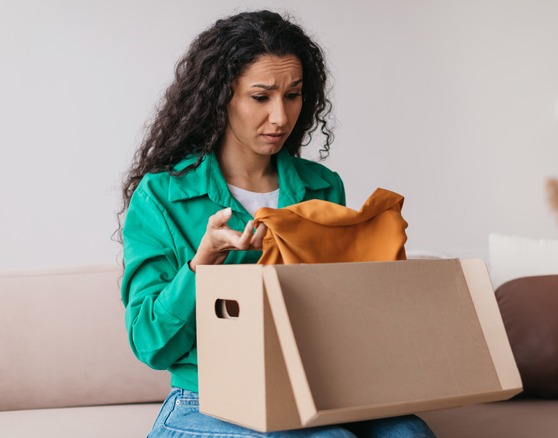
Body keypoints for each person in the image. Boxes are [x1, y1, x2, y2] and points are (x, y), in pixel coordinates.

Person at [119, 10, 435, 438]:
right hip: (205, 398)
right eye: (261, 96)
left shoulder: (322, 188)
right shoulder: (161, 196)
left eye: (293, 95)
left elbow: (337, 312)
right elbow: (150, 343)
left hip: (310, 389)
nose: (281, 117)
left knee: (409, 433)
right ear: (222, 96)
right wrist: (203, 264)